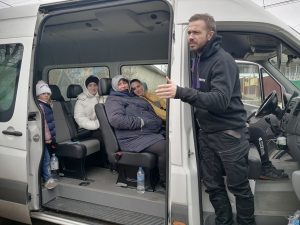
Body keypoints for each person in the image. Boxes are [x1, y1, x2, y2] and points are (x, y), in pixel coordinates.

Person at [156, 14, 255, 225]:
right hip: (207, 134)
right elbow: (201, 93)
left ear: (210, 35)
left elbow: (219, 100)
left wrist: (180, 92)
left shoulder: (222, 60)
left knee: (239, 188)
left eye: (196, 32)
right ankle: (224, 222)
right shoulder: (197, 59)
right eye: (189, 32)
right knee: (213, 185)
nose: (190, 36)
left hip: (228, 135)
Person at [105, 75, 166, 186]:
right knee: (164, 147)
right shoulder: (113, 99)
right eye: (119, 84)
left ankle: (159, 175)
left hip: (145, 133)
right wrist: (140, 122)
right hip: (131, 138)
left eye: (124, 82)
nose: (123, 85)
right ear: (114, 87)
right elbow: (116, 119)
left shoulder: (131, 97)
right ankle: (165, 180)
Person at [36, 80, 58, 190]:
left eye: (48, 93)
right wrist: (49, 138)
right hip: (44, 139)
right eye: (43, 93)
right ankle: (47, 179)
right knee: (46, 159)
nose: (46, 95)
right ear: (38, 94)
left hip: (48, 138)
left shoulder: (48, 105)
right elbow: (44, 124)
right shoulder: (40, 107)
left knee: (48, 158)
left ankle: (48, 177)